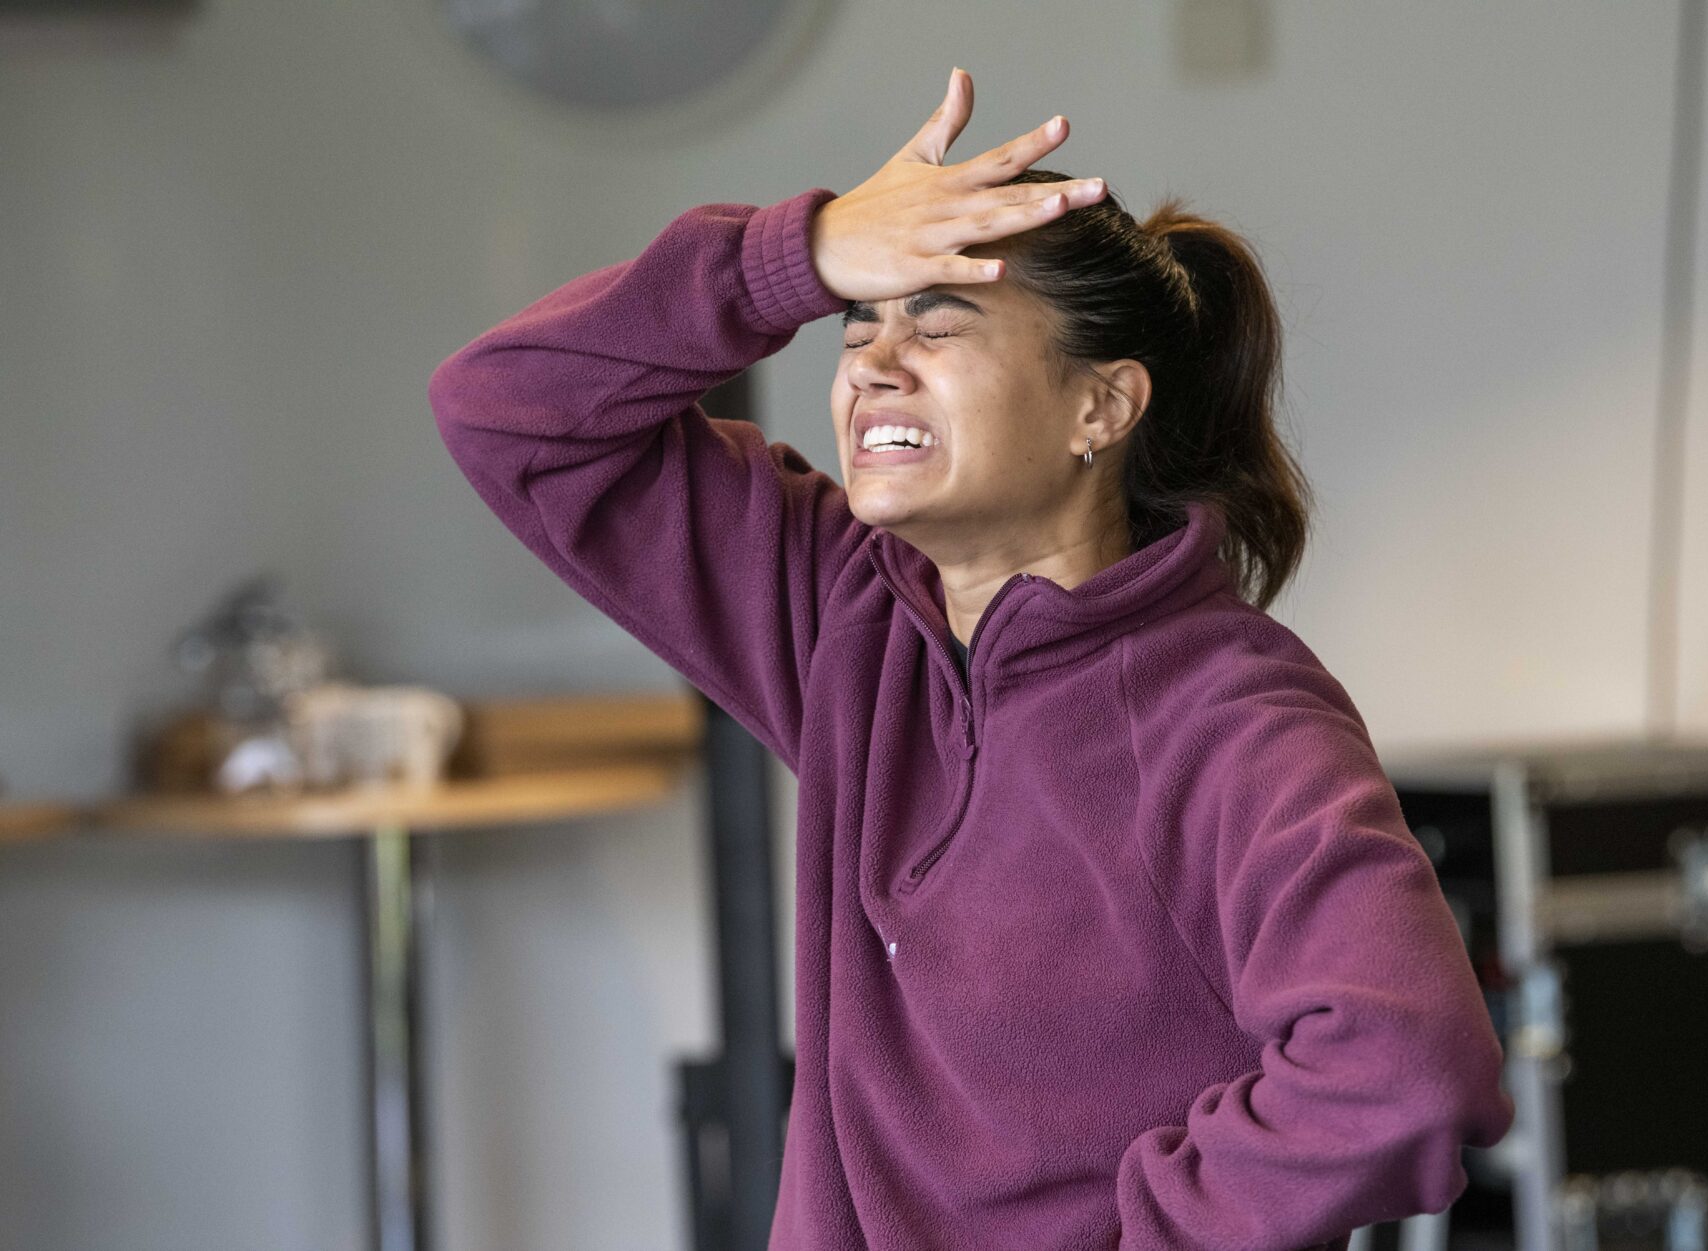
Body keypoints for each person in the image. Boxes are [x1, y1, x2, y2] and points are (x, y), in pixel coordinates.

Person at [428, 65, 1514, 1251]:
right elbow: (504, 410)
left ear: (1100, 409)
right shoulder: (844, 613)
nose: (872, 367)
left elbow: (1404, 1061)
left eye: (935, 324)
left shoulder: (1232, 713)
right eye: (859, 323)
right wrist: (803, 256)